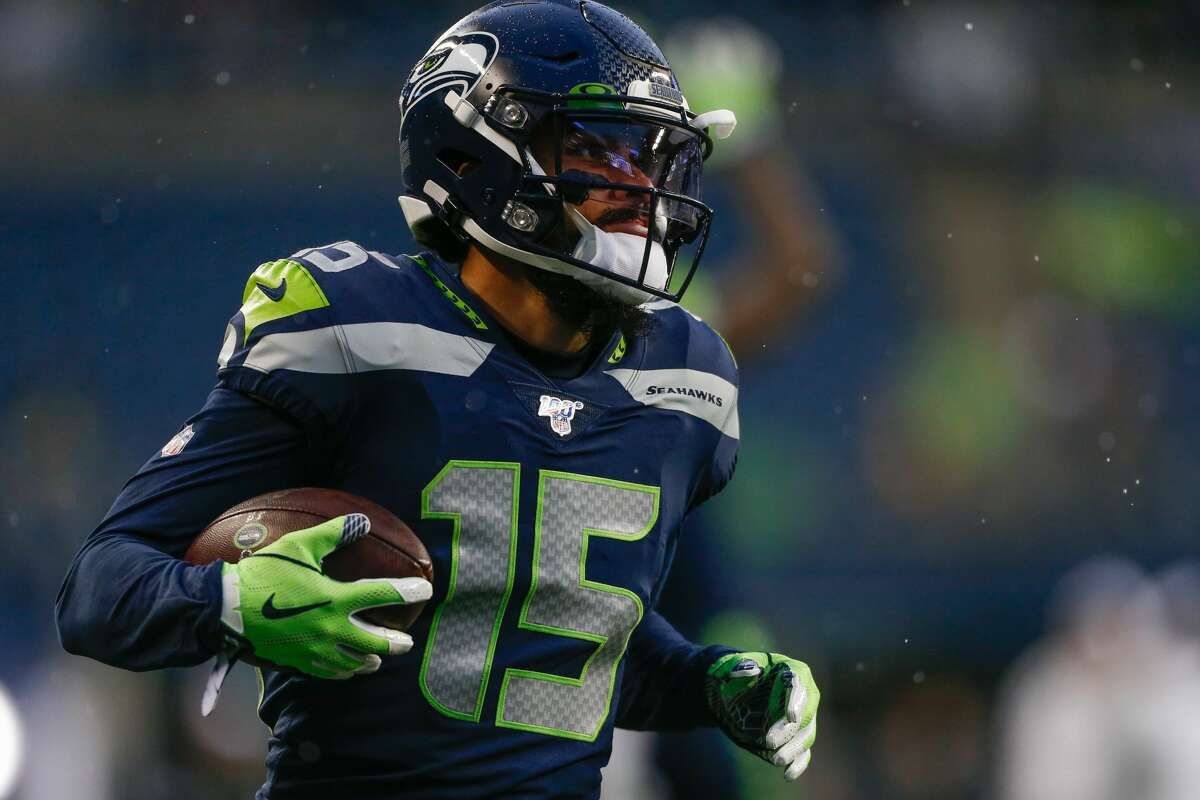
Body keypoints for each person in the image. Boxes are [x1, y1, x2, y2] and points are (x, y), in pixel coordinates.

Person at [55, 2, 820, 798]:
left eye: (654, 160)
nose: (641, 191)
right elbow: (100, 589)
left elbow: (564, 648)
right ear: (471, 156)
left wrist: (705, 683)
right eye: (600, 152)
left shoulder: (684, 379)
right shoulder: (355, 332)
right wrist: (227, 602)